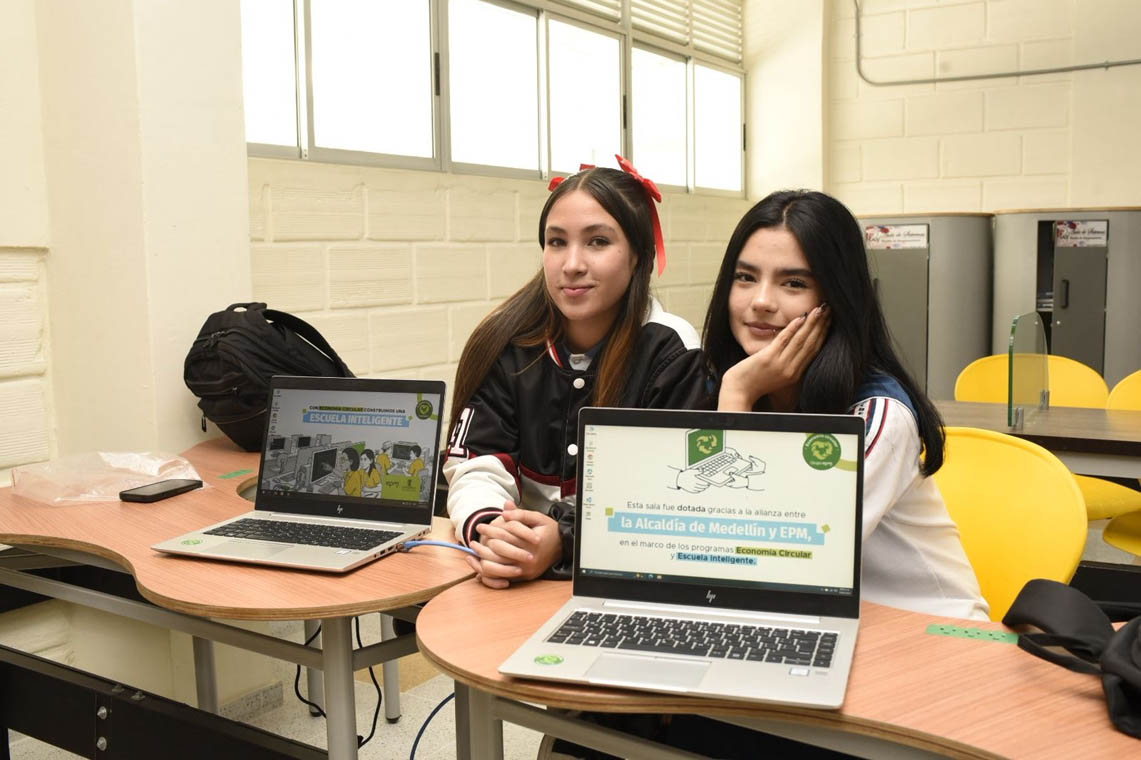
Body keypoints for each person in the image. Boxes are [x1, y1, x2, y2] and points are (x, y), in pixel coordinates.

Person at [703, 189, 987, 621]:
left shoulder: (877, 416)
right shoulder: (732, 386)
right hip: (813, 618)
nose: (760, 300)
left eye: (793, 282)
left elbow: (775, 556)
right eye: (745, 277)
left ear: (834, 300)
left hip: (926, 629)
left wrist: (737, 394)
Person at [444, 156, 708, 588]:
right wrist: (491, 531)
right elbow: (475, 464)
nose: (571, 264)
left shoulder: (672, 351)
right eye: (556, 242)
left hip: (629, 582)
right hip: (514, 580)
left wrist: (565, 541)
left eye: (598, 242)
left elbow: (667, 502)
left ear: (638, 255)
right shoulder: (506, 343)